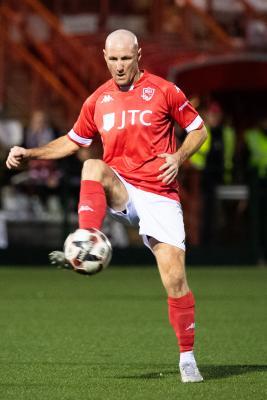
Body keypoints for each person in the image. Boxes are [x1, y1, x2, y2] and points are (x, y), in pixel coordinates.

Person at [6, 29, 207, 383]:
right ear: (104, 56)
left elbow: (199, 130)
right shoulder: (98, 99)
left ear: (138, 55)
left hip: (160, 193)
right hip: (123, 187)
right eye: (113, 59)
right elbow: (73, 141)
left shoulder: (163, 90)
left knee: (175, 279)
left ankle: (187, 358)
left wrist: (178, 156)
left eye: (126, 58)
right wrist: (31, 154)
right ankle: (88, 237)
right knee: (92, 165)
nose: (119, 66)